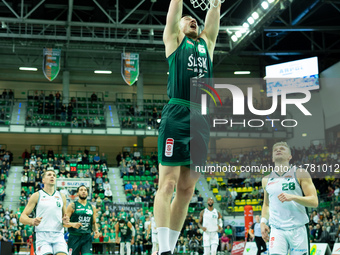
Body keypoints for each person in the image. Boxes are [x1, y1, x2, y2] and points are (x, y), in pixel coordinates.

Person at [154, 0, 221, 254]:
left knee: (187, 188)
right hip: (177, 112)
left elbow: (213, 13)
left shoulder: (207, 44)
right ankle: (162, 248)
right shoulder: (174, 40)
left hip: (202, 118)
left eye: (196, 20)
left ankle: (169, 248)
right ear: (179, 27)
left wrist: (215, 3)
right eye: (187, 19)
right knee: (168, 185)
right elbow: (175, 10)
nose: (193, 20)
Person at [261, 142, 318, 255]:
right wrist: (262, 222)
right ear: (272, 158)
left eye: (282, 148)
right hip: (277, 229)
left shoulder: (300, 173)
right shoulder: (266, 179)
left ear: (290, 156)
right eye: (275, 149)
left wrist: (293, 197)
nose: (278, 150)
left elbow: (314, 201)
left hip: (298, 229)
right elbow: (267, 205)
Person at [19, 169, 70, 255]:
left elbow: (65, 221)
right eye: (49, 175)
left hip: (58, 235)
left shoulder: (62, 196)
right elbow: (22, 217)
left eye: (54, 175)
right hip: (42, 235)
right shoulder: (37, 195)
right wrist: (32, 221)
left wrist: (66, 221)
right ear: (43, 180)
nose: (52, 176)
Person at [65, 185, 99, 255]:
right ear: (77, 193)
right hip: (74, 237)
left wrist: (96, 231)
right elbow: (64, 223)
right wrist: (73, 224)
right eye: (81, 190)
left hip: (87, 237)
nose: (83, 191)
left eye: (85, 190)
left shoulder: (92, 207)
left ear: (87, 193)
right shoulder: (72, 206)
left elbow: (93, 222)